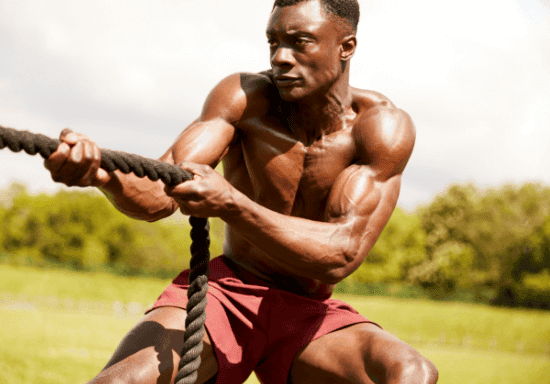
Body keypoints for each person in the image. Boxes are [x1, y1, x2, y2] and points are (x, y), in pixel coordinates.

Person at [44, 0, 438, 383]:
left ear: (346, 46)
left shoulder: (381, 129)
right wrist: (100, 173)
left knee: (412, 373)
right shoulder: (244, 99)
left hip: (307, 315)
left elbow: (342, 253)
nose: (280, 57)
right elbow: (159, 196)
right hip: (226, 293)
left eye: (299, 42)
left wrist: (233, 205)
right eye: (273, 42)